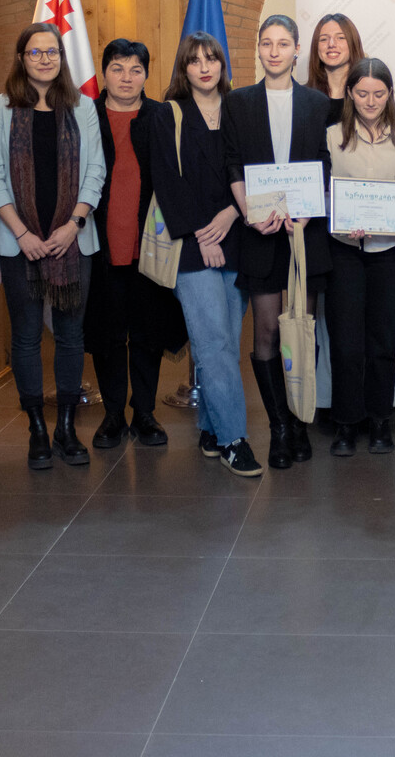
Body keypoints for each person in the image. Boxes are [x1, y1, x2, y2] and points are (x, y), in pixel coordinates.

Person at [0, 22, 106, 470]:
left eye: (52, 52)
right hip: (21, 244)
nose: (44, 59)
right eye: (35, 52)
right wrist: (22, 234)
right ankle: (37, 428)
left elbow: (95, 172)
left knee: (72, 335)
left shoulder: (83, 107)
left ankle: (66, 428)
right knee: (26, 335)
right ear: (21, 58)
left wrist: (73, 225)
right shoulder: (1, 108)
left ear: (61, 57)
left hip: (73, 240)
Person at [150, 32, 262, 477]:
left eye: (211, 59)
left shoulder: (240, 110)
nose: (204, 67)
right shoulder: (169, 114)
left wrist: (233, 215)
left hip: (236, 238)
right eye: (194, 60)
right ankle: (235, 439)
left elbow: (254, 172)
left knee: (225, 343)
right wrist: (204, 235)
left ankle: (211, 429)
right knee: (212, 343)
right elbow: (166, 182)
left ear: (222, 64)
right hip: (192, 245)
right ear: (184, 67)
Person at [223, 14, 330, 469]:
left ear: (296, 49)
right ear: (258, 48)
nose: (274, 51)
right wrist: (250, 211)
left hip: (305, 232)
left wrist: (311, 208)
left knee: (302, 329)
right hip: (261, 232)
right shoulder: (238, 102)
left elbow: (324, 163)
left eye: (283, 43)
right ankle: (280, 426)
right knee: (266, 330)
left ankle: (301, 420)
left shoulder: (318, 103)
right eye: (266, 43)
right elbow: (232, 162)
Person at [85, 38, 183, 451]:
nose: (126, 78)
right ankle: (112, 415)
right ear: (104, 73)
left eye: (136, 70)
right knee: (107, 334)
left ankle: (144, 412)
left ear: (146, 75)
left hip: (152, 244)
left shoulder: (162, 116)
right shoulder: (85, 115)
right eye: (118, 69)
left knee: (147, 333)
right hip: (99, 244)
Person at [327, 58, 395, 455]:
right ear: (350, 93)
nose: (371, 101)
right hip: (345, 253)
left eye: (379, 94)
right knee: (346, 344)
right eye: (363, 93)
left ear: (390, 94)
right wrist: (340, 222)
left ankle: (381, 421)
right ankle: (347, 424)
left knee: (383, 343)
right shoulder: (332, 136)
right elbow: (325, 196)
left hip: (388, 255)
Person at [308, 12, 365, 126]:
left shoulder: (368, 96)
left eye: (340, 38)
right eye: (324, 39)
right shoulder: (304, 97)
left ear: (353, 43)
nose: (331, 44)